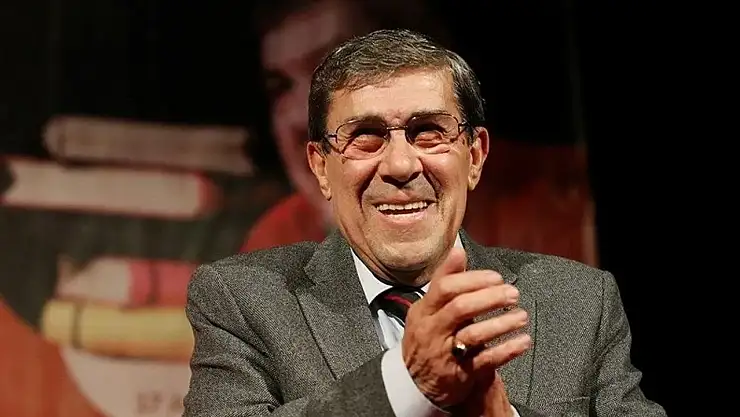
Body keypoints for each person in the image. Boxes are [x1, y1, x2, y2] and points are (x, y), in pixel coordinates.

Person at [183, 29, 665, 416]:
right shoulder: (242, 300)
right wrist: (407, 383)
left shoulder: (579, 301)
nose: (400, 166)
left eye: (428, 132)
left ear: (474, 156)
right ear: (321, 167)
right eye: (366, 136)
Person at [241, 0, 595, 266]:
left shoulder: (561, 207)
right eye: (280, 87)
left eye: (335, 69)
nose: (299, 118)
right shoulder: (279, 240)